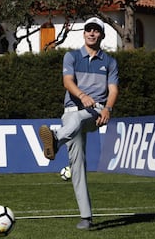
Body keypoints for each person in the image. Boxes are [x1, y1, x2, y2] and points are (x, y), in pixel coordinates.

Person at [39, 17, 119, 230]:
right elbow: (67, 82)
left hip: (95, 113)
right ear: (84, 33)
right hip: (71, 112)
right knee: (77, 165)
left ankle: (55, 140)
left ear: (101, 35)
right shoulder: (71, 56)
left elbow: (113, 90)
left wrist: (108, 109)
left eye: (96, 30)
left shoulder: (110, 62)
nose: (91, 33)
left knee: (77, 118)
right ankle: (86, 217)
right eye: (88, 30)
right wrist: (82, 96)